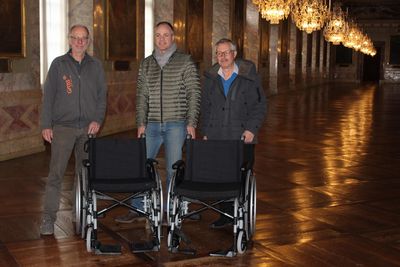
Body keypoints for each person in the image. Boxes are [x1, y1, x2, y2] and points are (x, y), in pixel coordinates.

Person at [115, 21, 201, 223]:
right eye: (158, 35)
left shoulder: (185, 61)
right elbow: (141, 95)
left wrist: (192, 122)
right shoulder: (146, 63)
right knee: (140, 165)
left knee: (174, 169)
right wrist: (140, 123)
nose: (162, 39)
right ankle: (138, 208)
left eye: (166, 35)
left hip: (177, 124)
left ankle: (174, 210)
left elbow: (194, 93)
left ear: (173, 37)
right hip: (151, 124)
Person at [39, 24, 107, 235]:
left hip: (87, 128)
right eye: (76, 38)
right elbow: (48, 96)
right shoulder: (58, 65)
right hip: (63, 128)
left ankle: (82, 214)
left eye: (83, 38)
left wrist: (97, 119)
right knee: (55, 175)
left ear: (88, 41)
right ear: (69, 40)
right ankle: (48, 219)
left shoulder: (95, 66)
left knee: (84, 174)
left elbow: (101, 96)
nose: (79, 42)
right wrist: (46, 124)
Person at [201, 38, 266, 228]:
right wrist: (205, 132)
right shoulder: (211, 78)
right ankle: (225, 214)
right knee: (219, 177)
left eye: (226, 52)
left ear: (234, 54)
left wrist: (251, 129)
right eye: (218, 53)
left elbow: (259, 105)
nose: (222, 56)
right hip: (216, 136)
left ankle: (242, 214)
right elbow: (205, 107)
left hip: (242, 136)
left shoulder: (248, 76)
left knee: (241, 177)